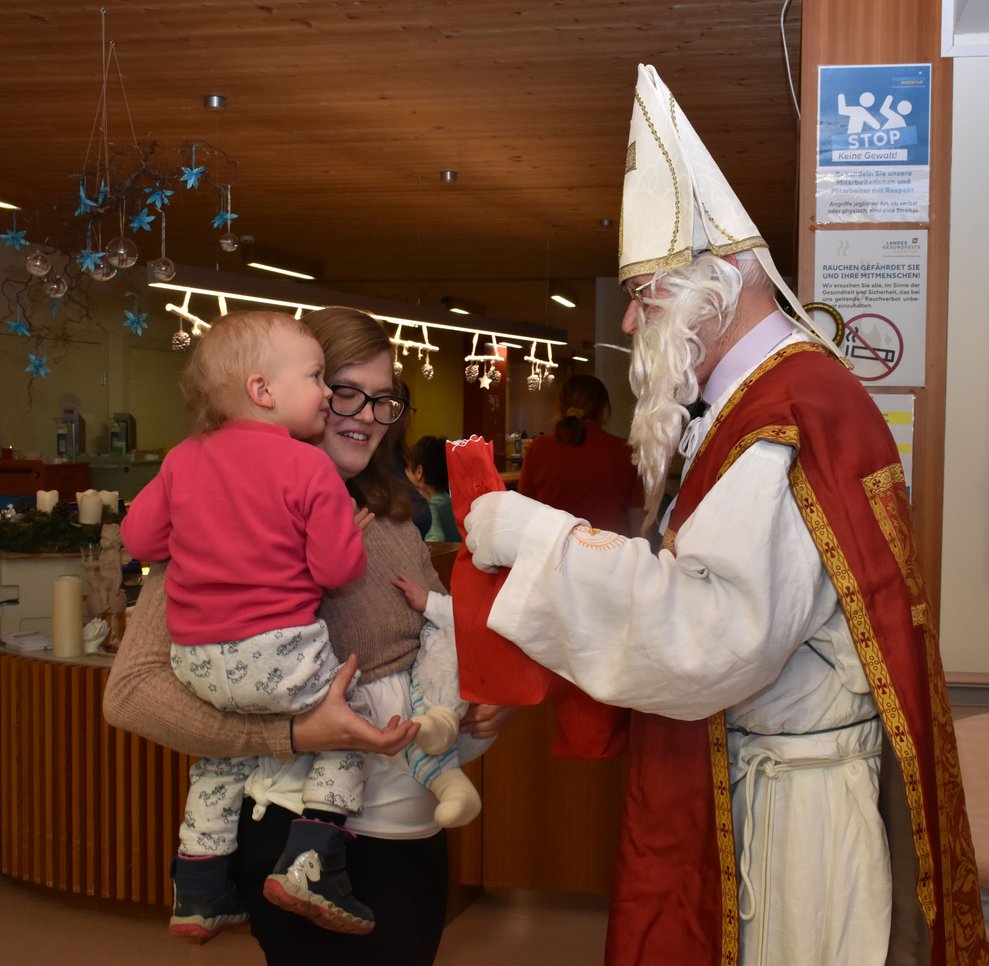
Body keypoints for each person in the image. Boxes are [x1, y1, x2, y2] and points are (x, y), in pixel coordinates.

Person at [462, 64, 987, 965]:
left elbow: (718, 632)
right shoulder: (772, 398)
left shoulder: (781, 414)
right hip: (776, 773)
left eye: (643, 292)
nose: (629, 324)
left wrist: (537, 536)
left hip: (796, 805)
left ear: (726, 279)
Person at [104, 306, 511, 966]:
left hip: (409, 827)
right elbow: (132, 693)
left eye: (382, 399)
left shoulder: (397, 521)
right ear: (275, 387)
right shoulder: (222, 515)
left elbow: (424, 647)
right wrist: (292, 735)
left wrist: (483, 692)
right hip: (295, 837)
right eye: (341, 388)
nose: (360, 414)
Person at [120, 310, 375, 938]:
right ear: (263, 391)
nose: (326, 393)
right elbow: (337, 568)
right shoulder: (307, 467)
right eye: (318, 378)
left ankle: (199, 891)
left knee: (217, 761)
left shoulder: (182, 459)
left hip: (198, 663)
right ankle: (311, 859)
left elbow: (141, 539)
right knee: (354, 719)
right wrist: (342, 531)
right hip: (278, 654)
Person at [517, 374, 643, 536]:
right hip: (609, 554)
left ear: (560, 407)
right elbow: (637, 520)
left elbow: (524, 511)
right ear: (604, 410)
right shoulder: (626, 451)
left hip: (552, 552)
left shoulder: (539, 448)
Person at [407, 435, 460, 542]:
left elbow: (436, 541)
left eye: (407, 467)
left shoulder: (431, 508)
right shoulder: (450, 502)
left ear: (419, 472)